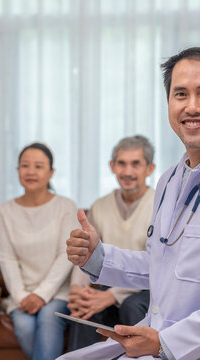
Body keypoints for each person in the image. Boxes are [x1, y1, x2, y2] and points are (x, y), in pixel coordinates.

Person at [63, 47, 200, 359]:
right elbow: (160, 267)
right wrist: (97, 257)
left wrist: (166, 342)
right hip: (163, 342)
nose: (191, 107)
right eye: (181, 94)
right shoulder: (169, 180)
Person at [67, 135, 155, 351]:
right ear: (112, 166)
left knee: (132, 306)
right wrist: (77, 291)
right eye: (121, 163)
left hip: (146, 289)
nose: (127, 172)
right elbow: (88, 253)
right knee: (86, 309)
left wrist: (112, 295)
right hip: (109, 282)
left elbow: (159, 267)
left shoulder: (160, 205)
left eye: (136, 164)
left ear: (150, 168)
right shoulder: (100, 206)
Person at [0, 143, 78, 360]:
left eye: (38, 166)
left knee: (48, 318)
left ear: (51, 172)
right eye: (25, 166)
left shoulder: (66, 207)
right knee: (24, 326)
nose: (31, 172)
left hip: (57, 292)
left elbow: (65, 255)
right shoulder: (4, 211)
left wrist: (41, 294)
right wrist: (22, 296)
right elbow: (6, 257)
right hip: (20, 294)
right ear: (18, 170)